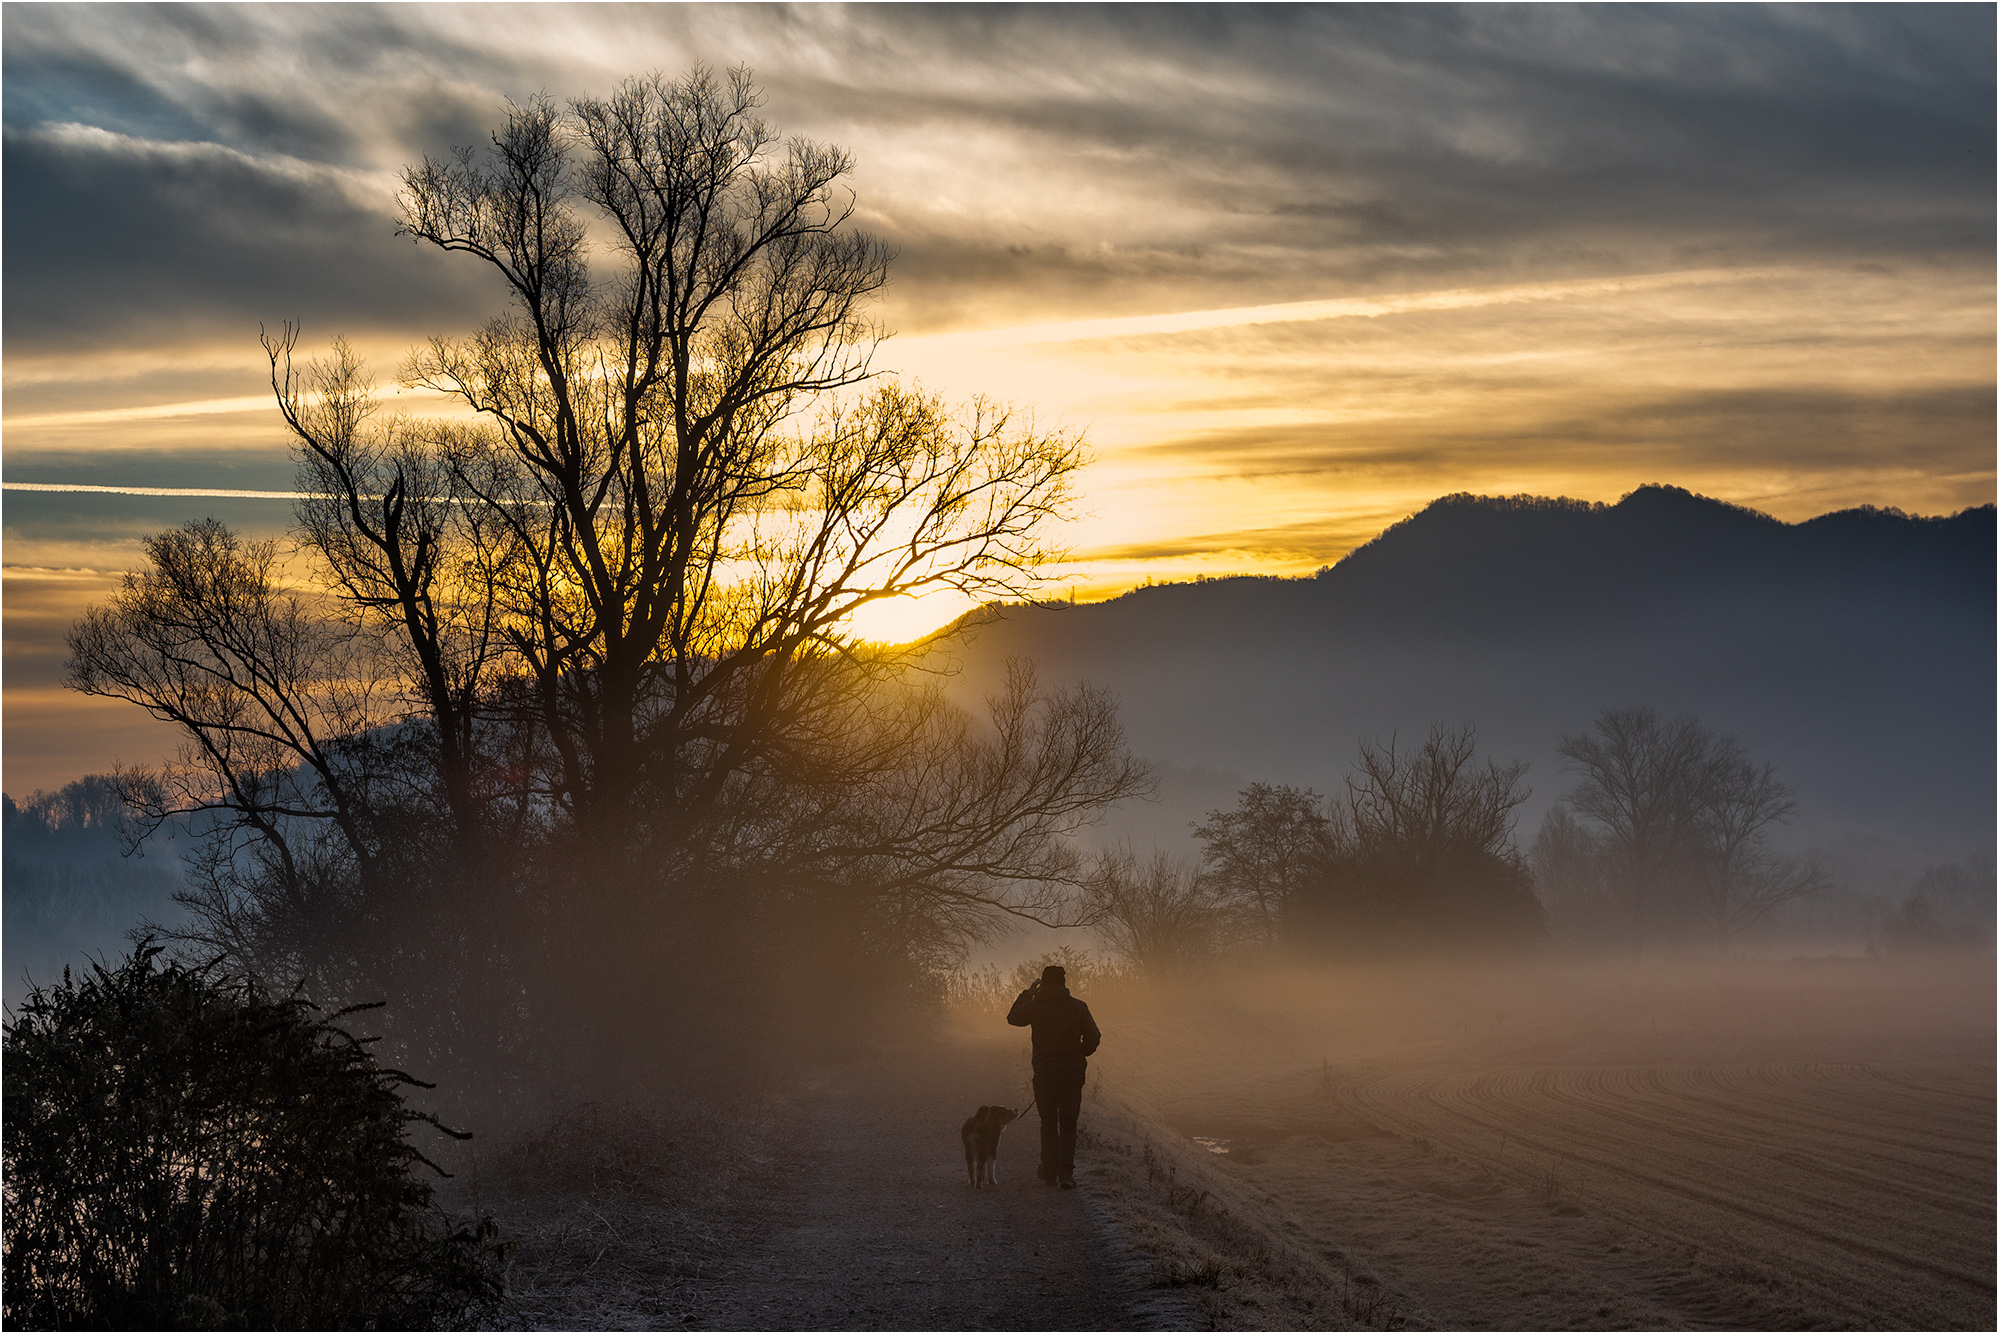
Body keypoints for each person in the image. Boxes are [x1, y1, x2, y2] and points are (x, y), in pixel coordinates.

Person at [1006, 963, 1101, 1189]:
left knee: (1048, 1122)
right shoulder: (1079, 1007)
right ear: (1064, 982)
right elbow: (1094, 1037)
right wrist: (1080, 1053)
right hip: (1071, 1073)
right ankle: (1066, 1174)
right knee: (1068, 1123)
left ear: (1043, 982)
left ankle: (1049, 1172)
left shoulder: (1034, 1006)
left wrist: (1028, 993)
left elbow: (1012, 1018)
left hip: (1045, 1072)